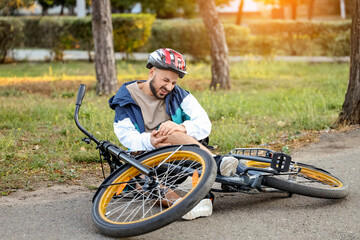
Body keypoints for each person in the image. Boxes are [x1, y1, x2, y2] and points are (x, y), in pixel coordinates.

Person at [109, 48, 238, 220]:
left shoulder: (179, 95)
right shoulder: (126, 98)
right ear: (152, 72)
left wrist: (182, 127)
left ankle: (216, 162)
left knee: (169, 131)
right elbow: (126, 136)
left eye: (173, 83)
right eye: (165, 80)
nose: (169, 87)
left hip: (181, 153)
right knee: (140, 179)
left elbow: (204, 123)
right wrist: (150, 141)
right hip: (148, 158)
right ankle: (183, 205)